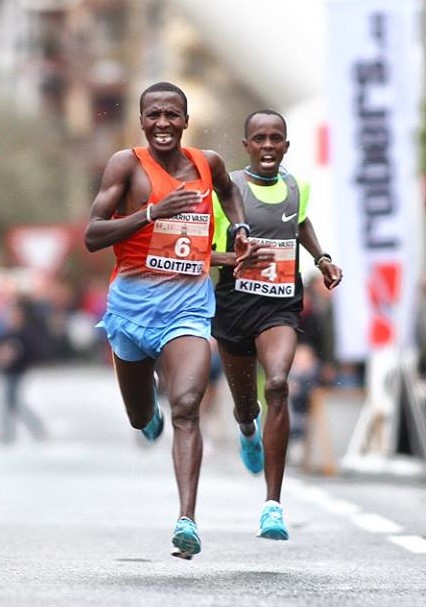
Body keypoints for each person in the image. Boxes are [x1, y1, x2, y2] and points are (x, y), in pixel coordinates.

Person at [84, 81, 248, 559]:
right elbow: (93, 235)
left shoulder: (208, 163)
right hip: (131, 310)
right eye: (153, 114)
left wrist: (238, 229)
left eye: (171, 114)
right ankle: (147, 413)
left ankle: (186, 520)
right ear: (141, 121)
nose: (162, 123)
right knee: (141, 418)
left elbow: (229, 193)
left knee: (188, 406)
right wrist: (152, 212)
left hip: (188, 307)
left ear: (185, 120)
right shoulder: (125, 165)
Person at [211, 109, 343, 541]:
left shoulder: (297, 186)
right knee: (246, 405)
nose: (268, 146)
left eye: (275, 138)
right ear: (246, 145)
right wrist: (233, 258)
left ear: (286, 145)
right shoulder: (225, 189)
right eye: (259, 138)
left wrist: (322, 258)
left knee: (278, 384)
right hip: (234, 306)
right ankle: (247, 428)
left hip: (280, 305)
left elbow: (299, 222)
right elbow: (199, 249)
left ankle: (272, 505)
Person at [0, 297, 48, 444]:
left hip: (20, 372)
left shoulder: (26, 333)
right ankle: (8, 434)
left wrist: (18, 355)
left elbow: (33, 352)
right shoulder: (8, 333)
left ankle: (38, 430)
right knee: (8, 403)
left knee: (16, 402)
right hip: (9, 372)